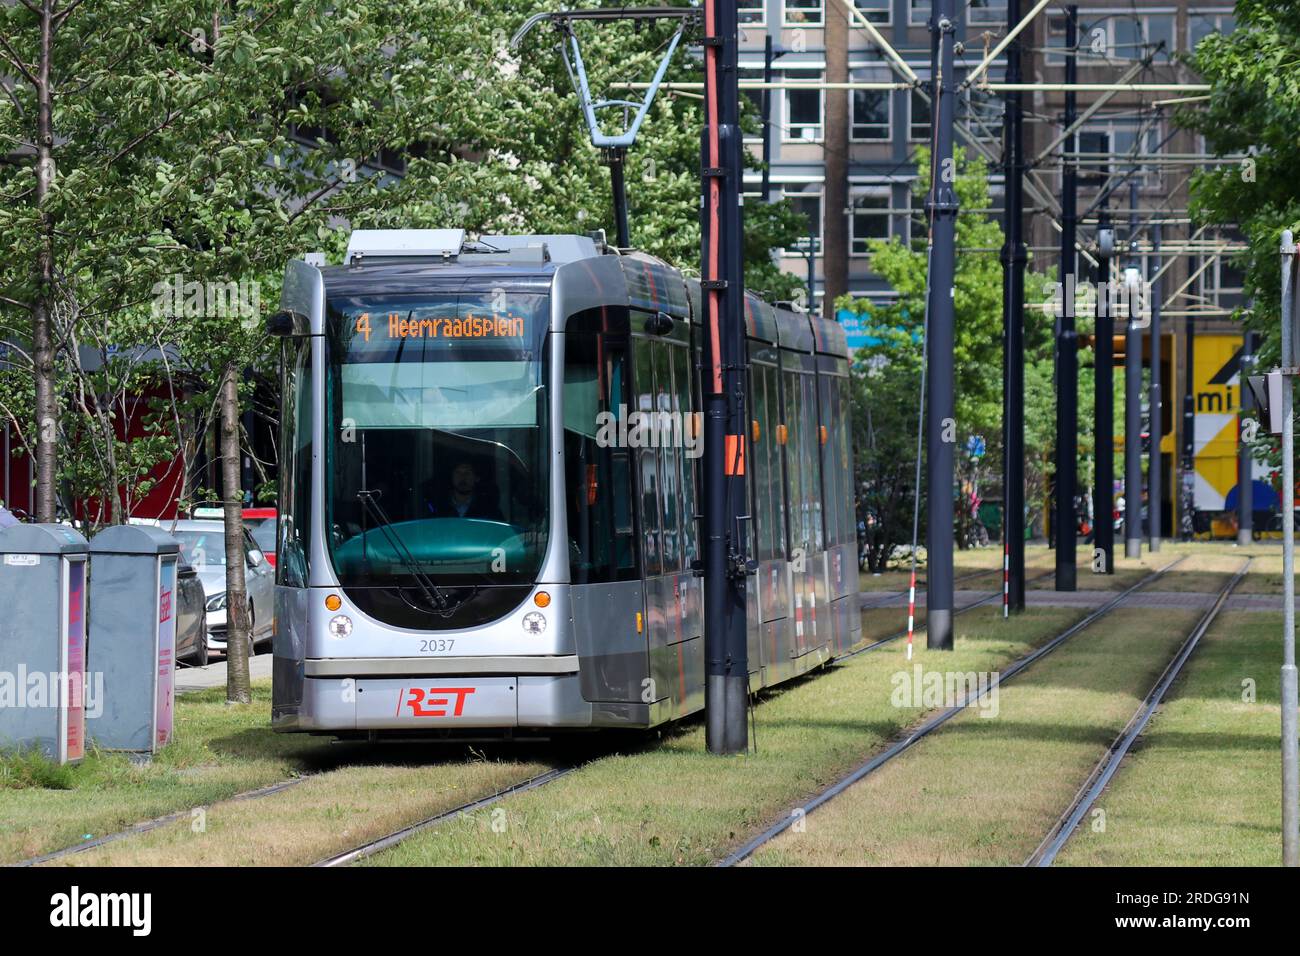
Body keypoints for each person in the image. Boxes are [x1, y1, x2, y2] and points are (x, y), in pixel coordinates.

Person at [422, 461, 503, 521]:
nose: (462, 477)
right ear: (452, 477)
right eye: (458, 472)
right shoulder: (438, 507)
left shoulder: (488, 509)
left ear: (476, 478)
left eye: (468, 473)